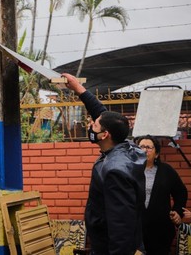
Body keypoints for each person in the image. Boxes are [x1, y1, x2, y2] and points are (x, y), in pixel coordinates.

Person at [61, 73, 146, 254]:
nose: (91, 124)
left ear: (106, 135)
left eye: (95, 125)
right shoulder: (127, 147)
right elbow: (102, 114)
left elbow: (121, 224)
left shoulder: (115, 171)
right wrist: (78, 88)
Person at [134, 135, 188, 255]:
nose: (144, 150)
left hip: (160, 228)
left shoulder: (166, 171)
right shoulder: (130, 170)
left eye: (148, 147)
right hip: (134, 228)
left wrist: (177, 211)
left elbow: (181, 192)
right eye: (141, 146)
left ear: (156, 154)